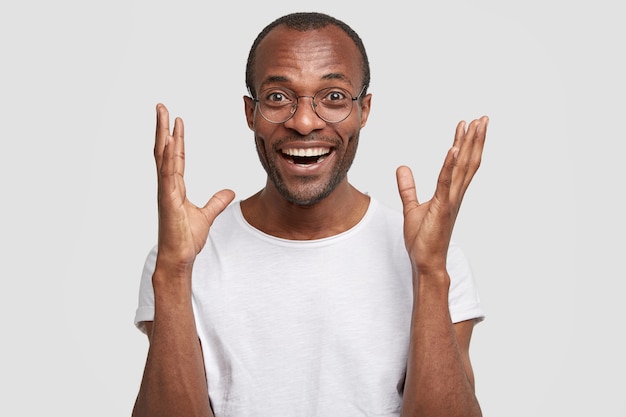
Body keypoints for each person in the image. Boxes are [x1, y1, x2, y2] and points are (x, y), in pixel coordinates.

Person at [132, 11, 489, 417]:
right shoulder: (183, 260)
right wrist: (174, 271)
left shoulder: (436, 263)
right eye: (279, 98)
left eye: (334, 97)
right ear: (251, 113)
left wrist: (428, 273)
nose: (304, 122)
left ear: (364, 110)